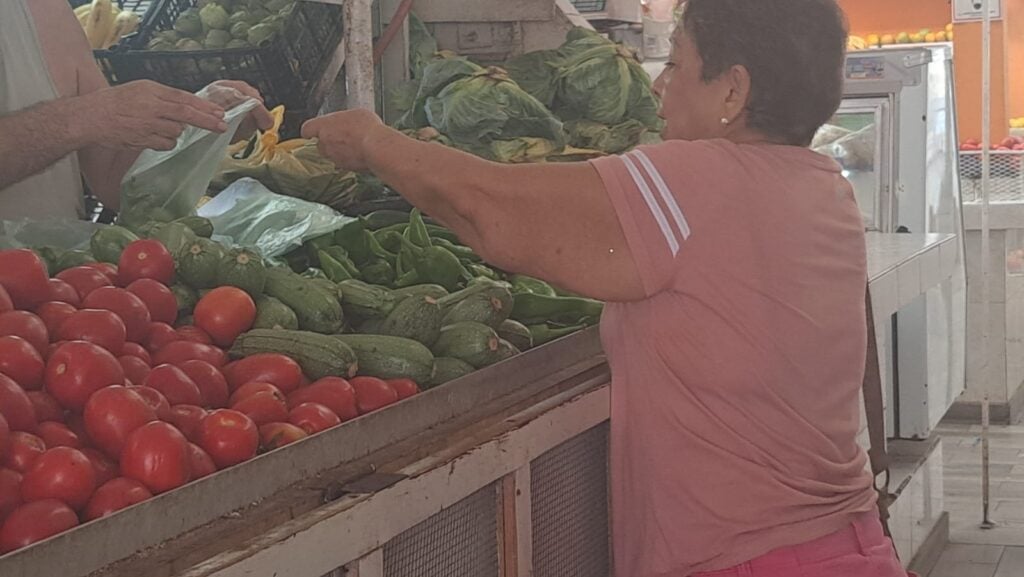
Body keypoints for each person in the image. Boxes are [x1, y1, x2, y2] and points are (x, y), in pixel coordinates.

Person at [302, 0, 908, 575]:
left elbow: (491, 210)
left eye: (675, 62)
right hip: (843, 546)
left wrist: (375, 143)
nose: (657, 86)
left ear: (733, 90)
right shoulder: (822, 184)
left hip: (747, 561)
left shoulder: (700, 179)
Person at [0, 0, 274, 220]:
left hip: (61, 278)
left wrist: (197, 122)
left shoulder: (38, 9)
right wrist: (79, 119)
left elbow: (114, 179)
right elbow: (82, 119)